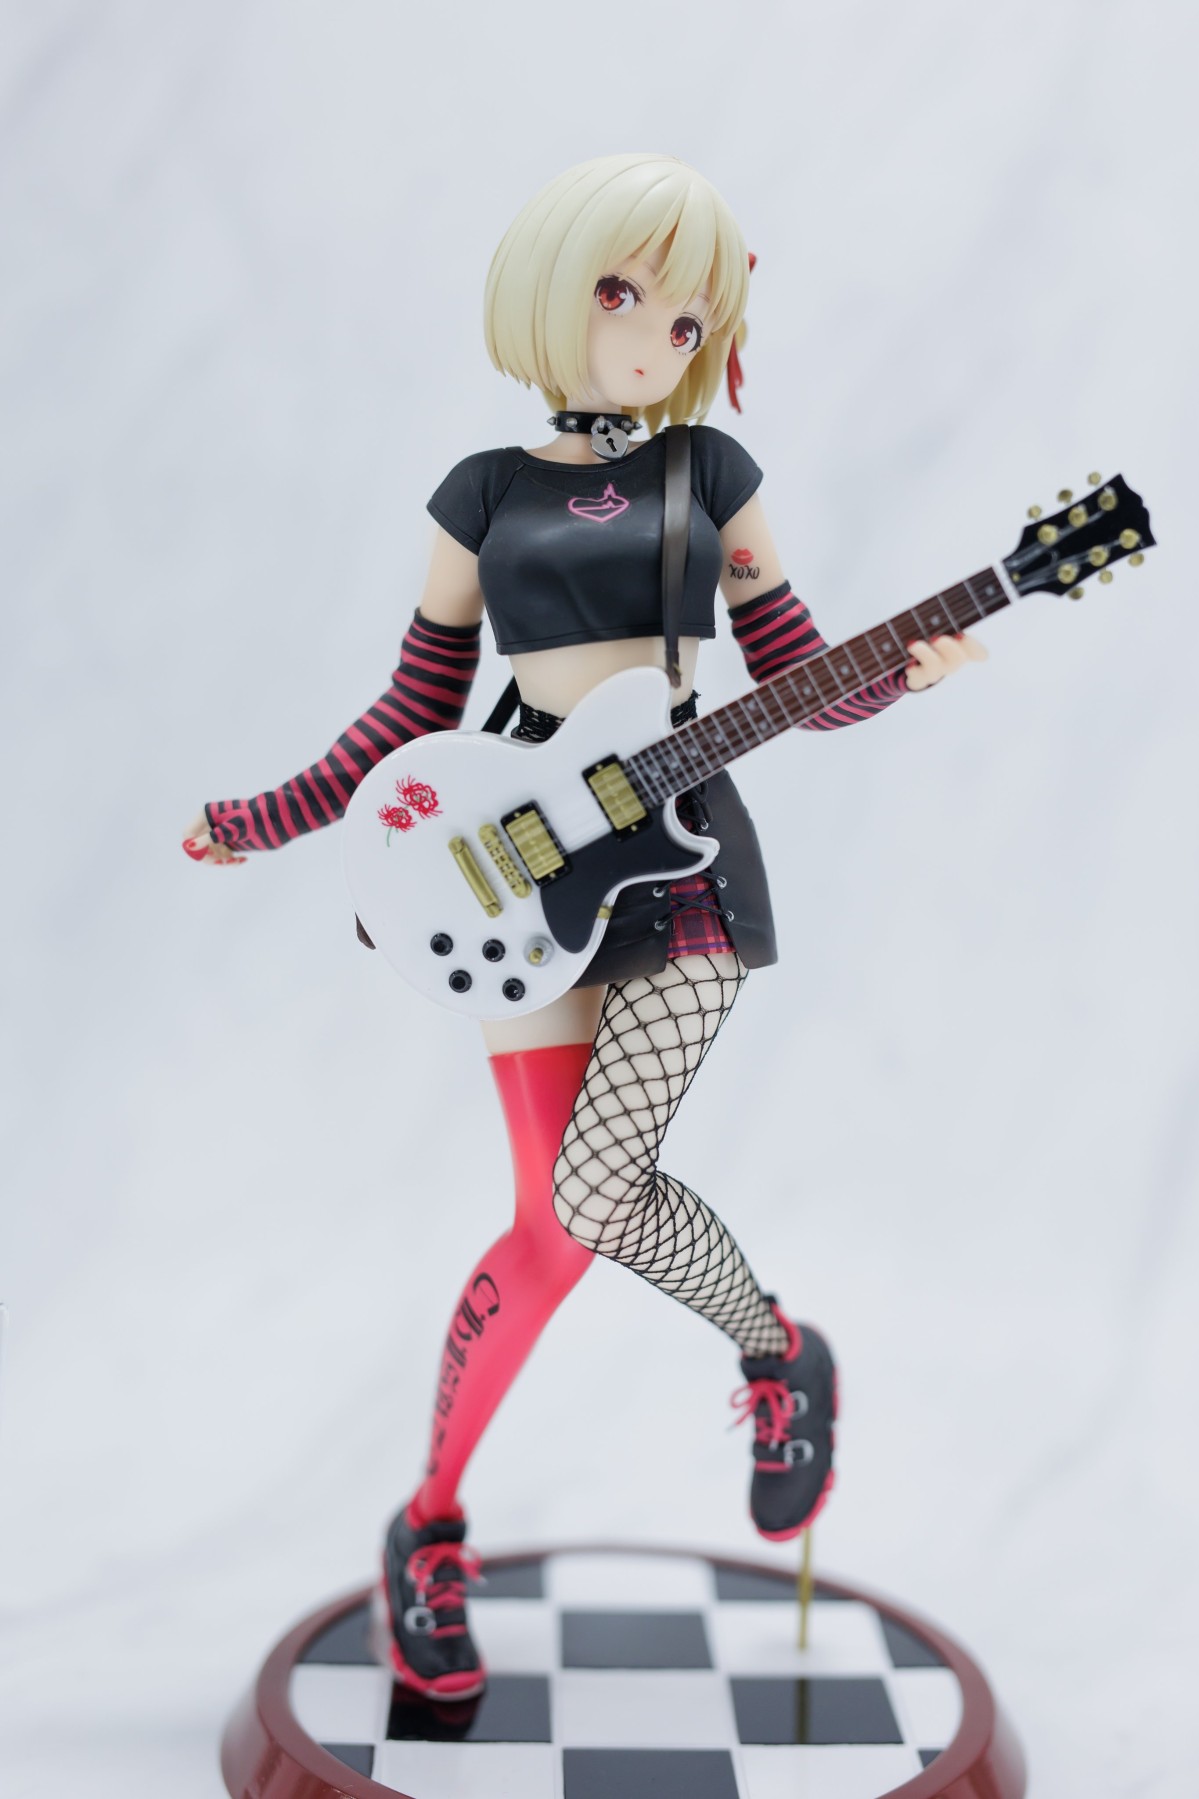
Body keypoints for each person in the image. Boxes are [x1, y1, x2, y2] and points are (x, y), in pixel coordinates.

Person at [182, 153, 987, 1701]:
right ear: (557, 294)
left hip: (681, 866)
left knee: (600, 1189)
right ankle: (427, 1526)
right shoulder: (483, 492)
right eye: (626, 295)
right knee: (548, 1232)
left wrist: (906, 666)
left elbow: (797, 670)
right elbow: (413, 711)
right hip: (518, 869)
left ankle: (773, 1350)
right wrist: (272, 817)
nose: (656, 337)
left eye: (689, 318)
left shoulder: (711, 472)